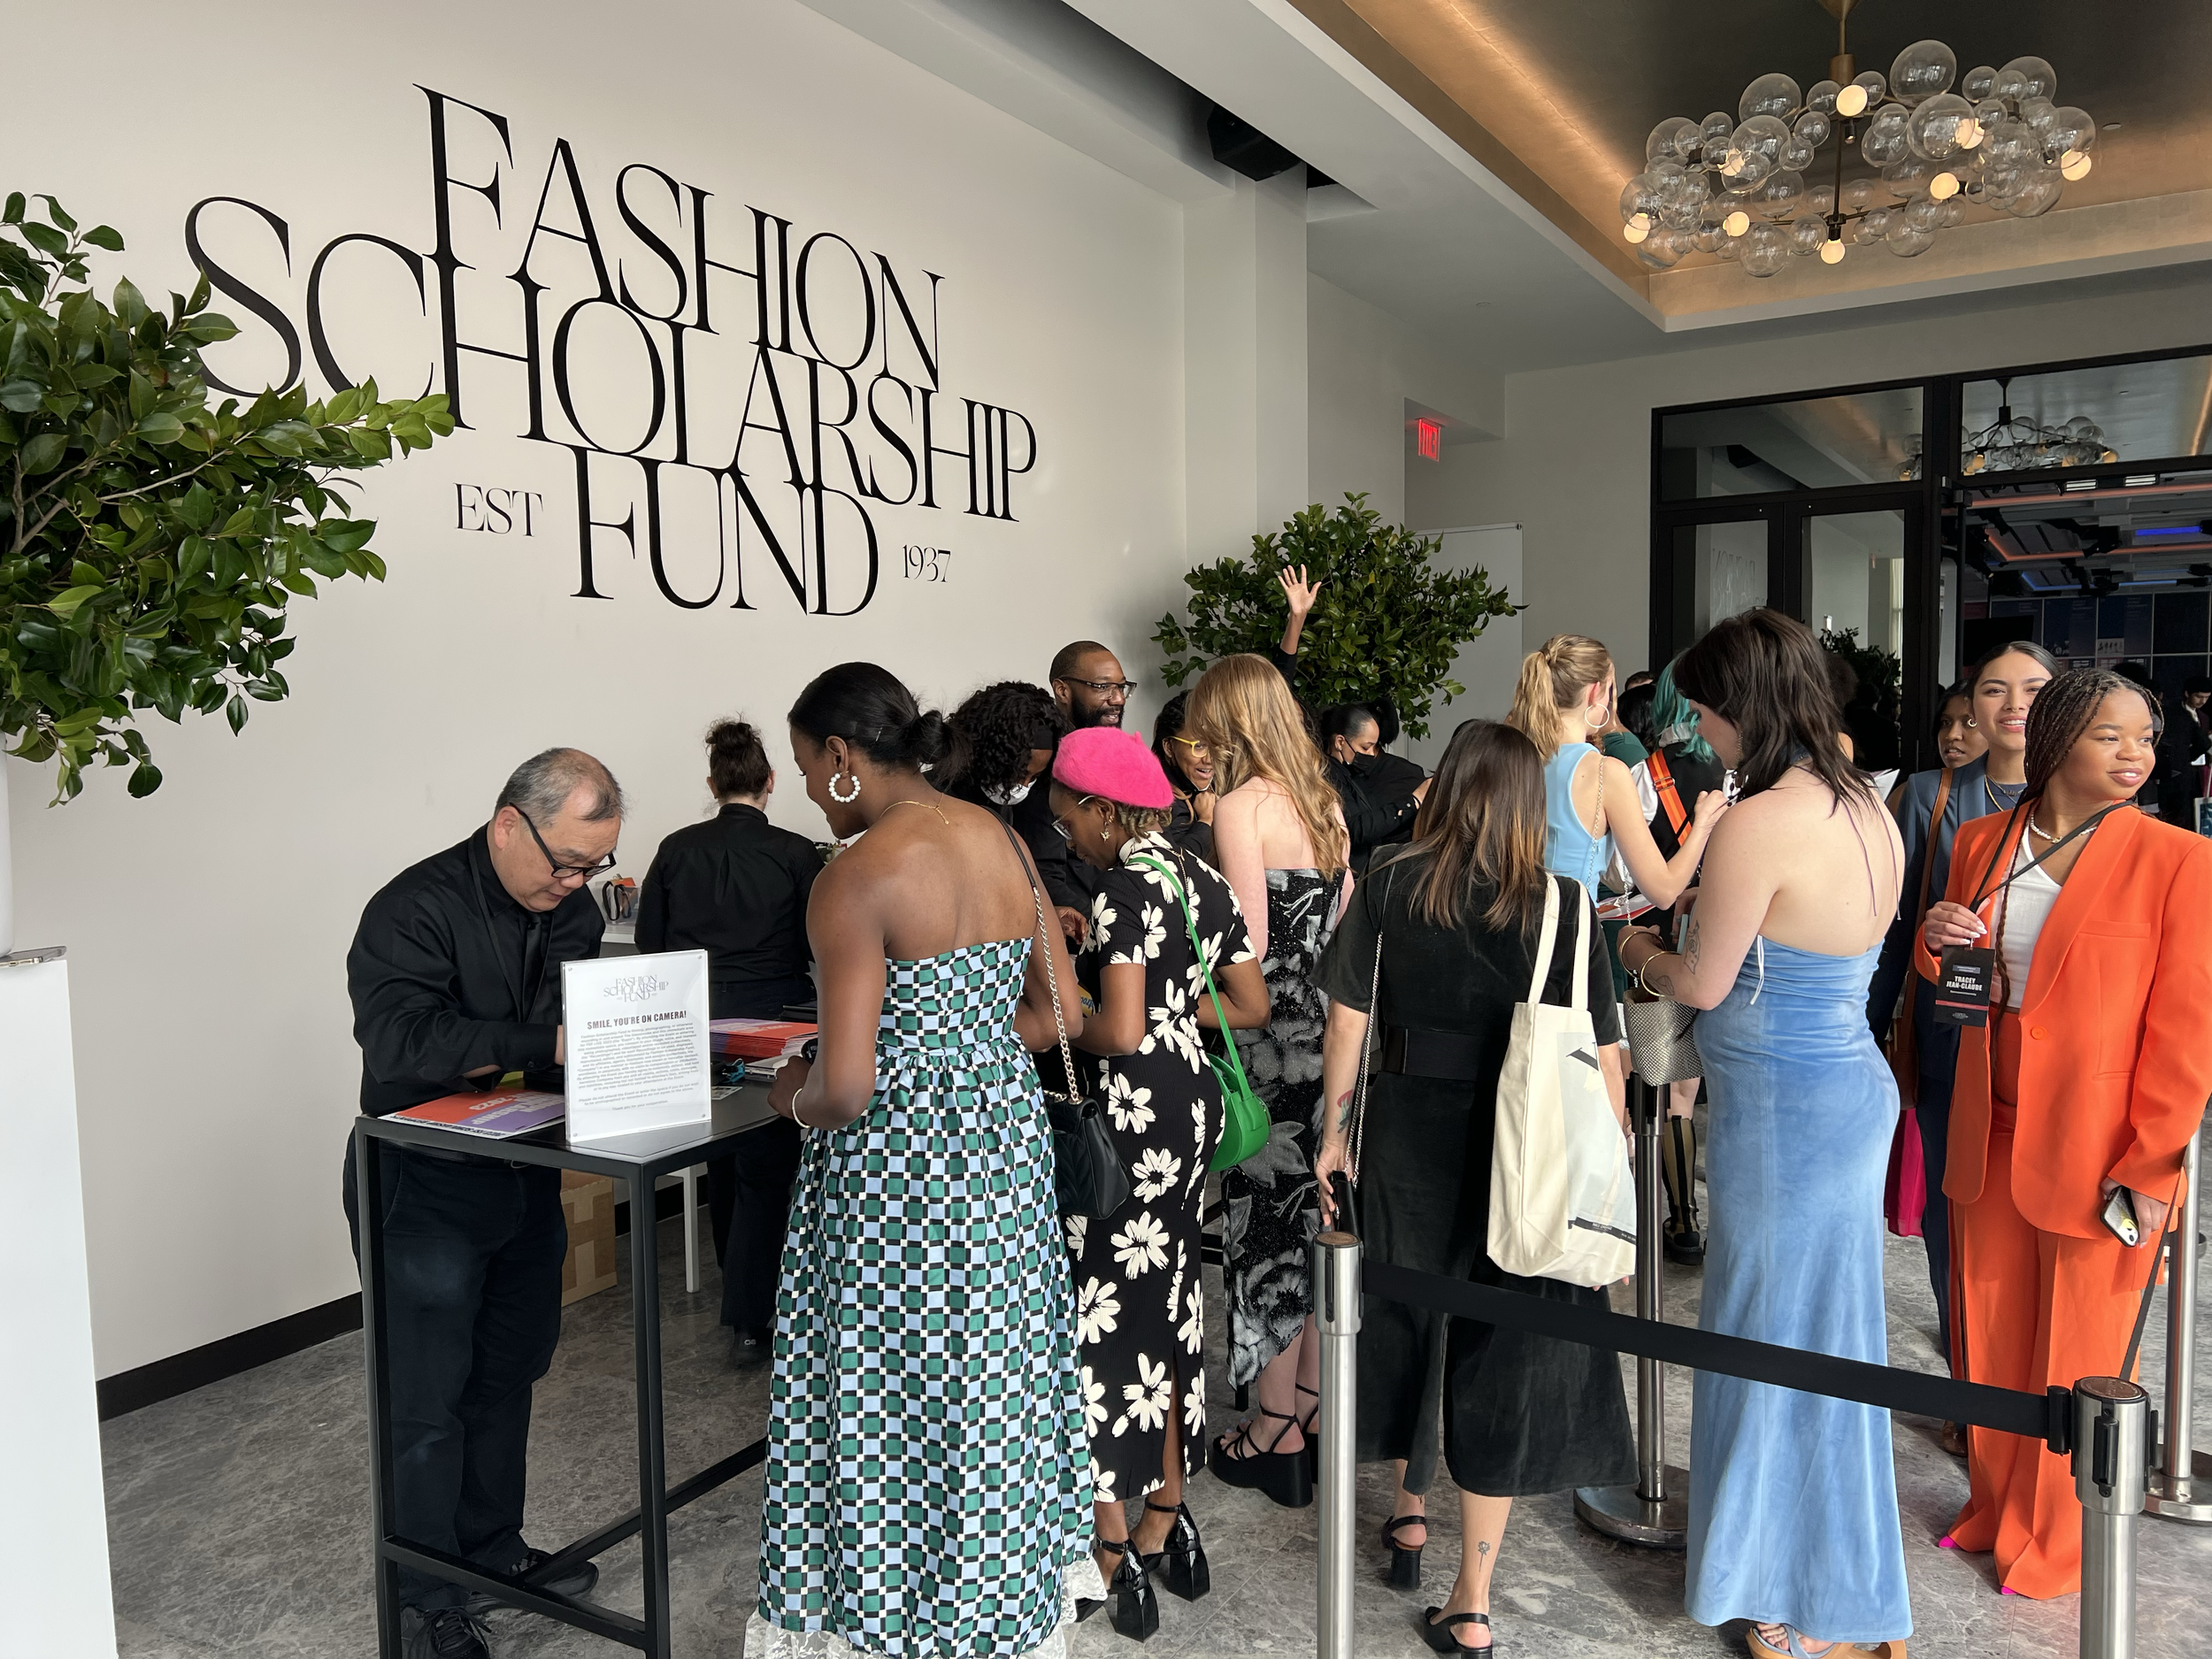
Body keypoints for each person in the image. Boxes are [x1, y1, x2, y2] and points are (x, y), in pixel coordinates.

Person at [751, 663, 1095, 1659]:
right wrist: (967, 1056)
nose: (812, 791)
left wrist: (789, 1093)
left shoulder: (854, 877)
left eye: (812, 770)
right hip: (1000, 1154)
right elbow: (1060, 1014)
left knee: (880, 1395)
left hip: (893, 1179)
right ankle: (992, 1606)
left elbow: (846, 1089)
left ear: (846, 757)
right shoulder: (997, 837)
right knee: (990, 1382)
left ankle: (890, 1620)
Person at [1615, 609, 1909, 1659]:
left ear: (1743, 708)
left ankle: (1781, 1585)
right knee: (1825, 1346)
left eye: (1702, 712)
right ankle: (1826, 1572)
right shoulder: (1867, 805)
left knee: (1767, 1342)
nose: (1701, 733)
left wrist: (1646, 951)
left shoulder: (1760, 819)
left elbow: (1704, 980)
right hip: (1840, 1091)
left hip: (1787, 1108)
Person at [1312, 720, 1633, 1655]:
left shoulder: (1392, 887)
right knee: (1500, 1347)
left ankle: (1407, 1514)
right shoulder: (1568, 906)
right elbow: (1604, 1061)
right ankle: (1473, 1599)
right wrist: (1600, 1175)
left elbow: (1346, 1028)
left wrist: (1334, 1136)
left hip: (1412, 1136)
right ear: (1531, 804)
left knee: (1414, 1319)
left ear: (1446, 787)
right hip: (1529, 1157)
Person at [1916, 668, 2212, 1599]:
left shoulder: (2177, 860)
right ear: (2053, 744)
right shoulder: (1978, 839)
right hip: (1987, 1125)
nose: (2135, 756)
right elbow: (1953, 967)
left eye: (2142, 738)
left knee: (2078, 1353)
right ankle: (1993, 1509)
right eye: (2108, 737)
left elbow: (2185, 1034)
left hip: (2100, 1150)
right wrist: (1933, 936)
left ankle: (2055, 1542)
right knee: (1993, 1337)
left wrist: (2150, 1166)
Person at [344, 748, 622, 1659]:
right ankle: (428, 1596)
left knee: (510, 1372)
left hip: (521, 1170)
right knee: (427, 1400)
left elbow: (570, 1041)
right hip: (421, 1178)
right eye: (566, 862)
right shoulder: (412, 909)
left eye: (594, 865)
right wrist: (544, 1039)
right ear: (510, 823)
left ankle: (494, 1553)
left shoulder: (572, 910)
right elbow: (401, 1045)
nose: (578, 884)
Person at [1050, 726, 1271, 1638]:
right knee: (1171, 1307)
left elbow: (1115, 1031)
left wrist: (1057, 997)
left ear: (1104, 810)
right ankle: (1166, 1520)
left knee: (1102, 1320)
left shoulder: (1121, 890)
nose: (1068, 836)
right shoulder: (1195, 874)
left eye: (1069, 820)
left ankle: (1110, 1548)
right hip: (1192, 1112)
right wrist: (1175, 1009)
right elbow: (1250, 1004)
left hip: (1132, 1117)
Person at [1865, 641, 2056, 1398]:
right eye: (1994, 690)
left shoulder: (2098, 803)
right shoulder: (1929, 796)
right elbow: (1891, 922)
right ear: (1971, 706)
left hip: (2052, 1048)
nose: (2014, 705)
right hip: (1955, 1036)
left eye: (2035, 690)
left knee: (2039, 1219)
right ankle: (1969, 1386)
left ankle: (2040, 1389)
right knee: (1955, 1217)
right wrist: (1873, 1029)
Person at [1185, 652, 1351, 1503]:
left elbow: (1241, 940)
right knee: (1318, 1231)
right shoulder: (1324, 803)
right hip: (1330, 1039)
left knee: (1263, 1237)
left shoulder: (1241, 808)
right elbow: (1347, 929)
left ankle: (1273, 1425)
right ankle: (1316, 1416)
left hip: (1265, 1043)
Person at [634, 719, 819, 1364]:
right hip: (776, 1022)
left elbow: (649, 946)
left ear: (713, 784)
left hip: (695, 1023)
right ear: (770, 782)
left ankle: (736, 1297)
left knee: (720, 1158)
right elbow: (813, 945)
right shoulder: (798, 854)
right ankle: (753, 1314)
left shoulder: (675, 848)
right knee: (769, 1164)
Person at [1505, 634, 1724, 913]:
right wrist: (1702, 824)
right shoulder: (1604, 772)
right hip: (1566, 933)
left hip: (1511, 930)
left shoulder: (1514, 758)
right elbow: (1665, 891)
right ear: (1595, 692)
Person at [1639, 663, 1731, 1265]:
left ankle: (1678, 1219)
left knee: (1666, 1088)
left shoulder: (1642, 774)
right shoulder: (1734, 772)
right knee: (1701, 1090)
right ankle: (1692, 1217)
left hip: (1656, 939)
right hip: (1725, 935)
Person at [1318, 703, 1429, 877]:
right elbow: (1353, 828)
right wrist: (1413, 801)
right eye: (1365, 747)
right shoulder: (1328, 775)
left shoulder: (1341, 773)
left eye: (1375, 747)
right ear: (1340, 742)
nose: (1371, 754)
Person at [946, 680, 1067, 818]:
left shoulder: (1014, 808)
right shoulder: (937, 797)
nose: (1024, 786)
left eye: (1034, 777)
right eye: (1020, 774)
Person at [1151, 690, 1217, 861]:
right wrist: (1205, 821)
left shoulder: (1214, 783)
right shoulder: (1155, 799)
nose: (1210, 759)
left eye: (1217, 743)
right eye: (1199, 746)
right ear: (1169, 747)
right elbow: (1171, 867)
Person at [1932, 682, 1987, 775]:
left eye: (1971, 723)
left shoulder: (2014, 788)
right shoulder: (1919, 788)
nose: (1951, 735)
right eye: (1946, 722)